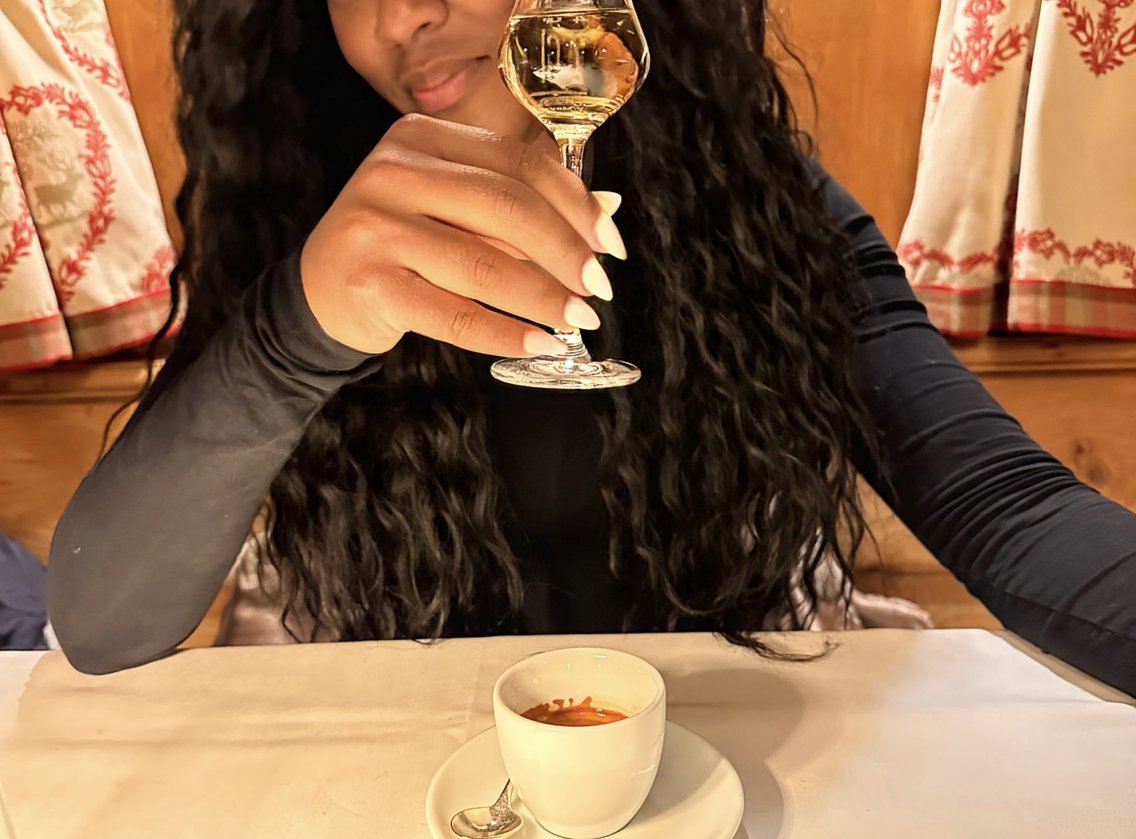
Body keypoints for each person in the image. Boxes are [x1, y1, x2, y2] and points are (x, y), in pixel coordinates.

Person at [46, 0, 1136, 695]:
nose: (400, 17)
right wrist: (295, 333)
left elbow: (1004, 506)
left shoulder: (758, 207)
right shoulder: (297, 225)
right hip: (403, 764)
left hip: (715, 745)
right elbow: (100, 624)